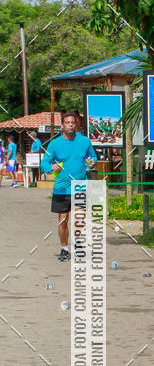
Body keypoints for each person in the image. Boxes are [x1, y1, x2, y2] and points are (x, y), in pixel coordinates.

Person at [40, 112, 97, 261]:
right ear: (62, 125)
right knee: (63, 219)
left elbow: (93, 156)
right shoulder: (55, 144)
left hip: (80, 185)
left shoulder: (85, 141)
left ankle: (78, 244)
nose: (71, 125)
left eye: (73, 122)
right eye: (67, 122)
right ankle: (64, 248)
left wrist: (91, 162)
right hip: (61, 187)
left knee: (79, 217)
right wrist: (51, 167)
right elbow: (44, 163)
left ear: (76, 124)